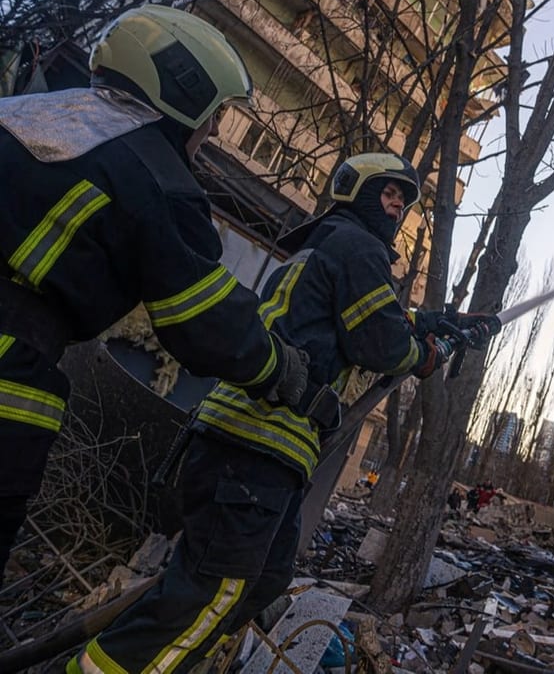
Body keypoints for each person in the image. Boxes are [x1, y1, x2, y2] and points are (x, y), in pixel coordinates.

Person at [70, 152, 500, 673]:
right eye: (388, 193)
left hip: (256, 445)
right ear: (355, 190)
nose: (397, 207)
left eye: (404, 201)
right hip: (256, 444)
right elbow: (381, 342)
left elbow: (361, 314)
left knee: (263, 580)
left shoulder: (332, 246)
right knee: (216, 592)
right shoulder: (359, 247)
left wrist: (431, 319)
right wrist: (428, 353)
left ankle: (157, 649)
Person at [0, 4, 312, 585]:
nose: (215, 130)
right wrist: (282, 370)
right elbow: (205, 322)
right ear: (183, 88)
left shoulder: (30, 112)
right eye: (216, 114)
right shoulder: (156, 176)